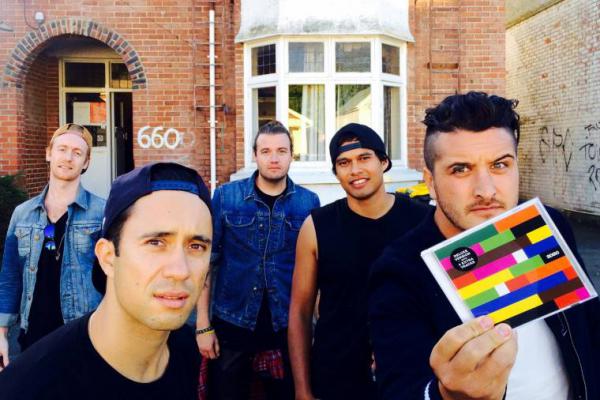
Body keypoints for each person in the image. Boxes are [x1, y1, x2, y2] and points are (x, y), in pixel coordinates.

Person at [368, 92, 600, 400]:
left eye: (500, 165)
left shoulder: (547, 225)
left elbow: (588, 327)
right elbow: (400, 388)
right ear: (430, 181)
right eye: (460, 169)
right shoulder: (399, 270)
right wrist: (445, 395)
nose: (486, 190)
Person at [0, 162, 212, 399]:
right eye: (155, 243)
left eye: (196, 246)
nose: (180, 270)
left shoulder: (186, 351)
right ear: (108, 257)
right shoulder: (27, 387)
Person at [288, 123, 430, 400]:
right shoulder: (317, 226)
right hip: (336, 375)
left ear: (383, 162)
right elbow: (300, 312)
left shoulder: (422, 220)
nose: (355, 170)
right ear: (336, 172)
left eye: (364, 158)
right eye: (344, 163)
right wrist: (302, 390)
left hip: (409, 373)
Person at [196, 121, 320, 399]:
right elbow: (207, 263)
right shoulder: (227, 197)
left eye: (281, 151)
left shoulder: (308, 202)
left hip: (286, 327)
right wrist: (203, 325)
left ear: (291, 155)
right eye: (266, 151)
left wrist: (318, 327)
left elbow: (315, 271)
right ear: (254, 155)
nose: (274, 158)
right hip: (232, 324)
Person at [0, 123, 105, 366]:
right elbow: (9, 277)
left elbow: (115, 280)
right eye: (62, 149)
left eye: (77, 153)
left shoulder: (102, 212)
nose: (68, 158)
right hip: (32, 338)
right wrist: (2, 334)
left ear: (86, 162)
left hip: (85, 336)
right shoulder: (23, 214)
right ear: (49, 153)